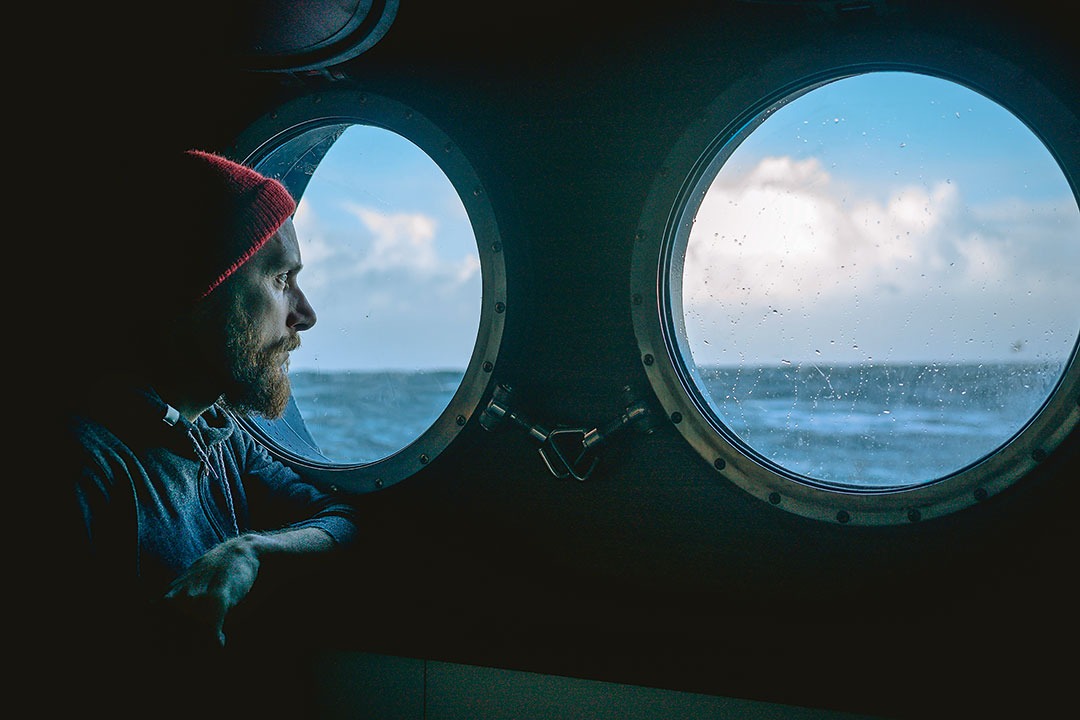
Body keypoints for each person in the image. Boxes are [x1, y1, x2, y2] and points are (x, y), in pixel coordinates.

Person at [61, 150, 358, 661]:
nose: (304, 315)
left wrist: (249, 553)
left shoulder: (220, 435)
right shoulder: (80, 469)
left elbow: (337, 518)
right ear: (198, 289)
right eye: (281, 279)